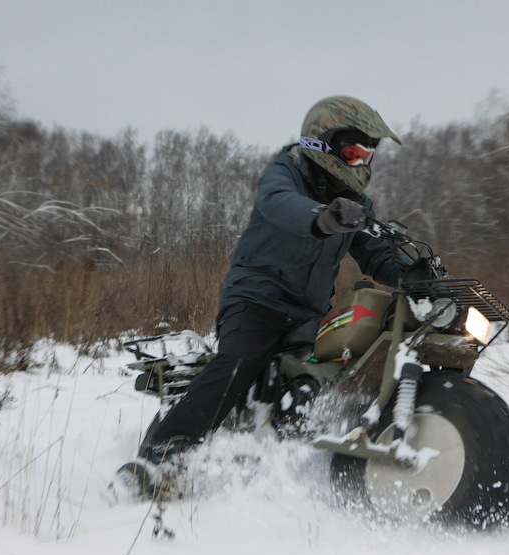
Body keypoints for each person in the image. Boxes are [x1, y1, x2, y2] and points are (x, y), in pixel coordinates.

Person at [119, 96, 409, 493]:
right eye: (355, 153)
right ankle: (152, 460)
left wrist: (414, 267)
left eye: (368, 157)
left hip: (308, 315)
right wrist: (322, 217)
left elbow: (375, 254)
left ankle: (306, 463)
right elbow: (279, 204)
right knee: (238, 364)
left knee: (326, 377)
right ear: (325, 142)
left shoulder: (357, 204)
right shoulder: (286, 172)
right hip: (255, 302)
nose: (362, 164)